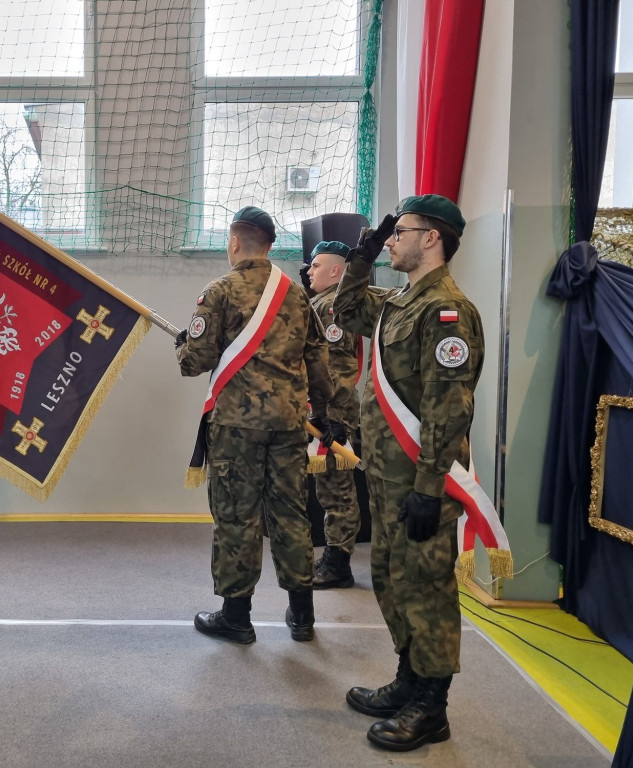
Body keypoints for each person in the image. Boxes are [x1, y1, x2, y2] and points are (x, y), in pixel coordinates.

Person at [331, 195, 484, 751]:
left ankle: (431, 707)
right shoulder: (399, 302)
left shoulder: (448, 312)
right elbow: (345, 312)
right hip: (387, 476)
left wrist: (428, 488)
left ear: (432, 238)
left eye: (400, 232)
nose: (391, 240)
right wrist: (362, 258)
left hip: (422, 481)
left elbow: (448, 407)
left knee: (426, 586)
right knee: (391, 578)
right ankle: (409, 680)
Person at [176, 206, 333, 644]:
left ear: (234, 242)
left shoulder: (219, 291)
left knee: (236, 516)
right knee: (291, 515)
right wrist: (322, 411)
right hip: (288, 424)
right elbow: (319, 360)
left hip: (236, 428)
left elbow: (194, 362)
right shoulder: (297, 295)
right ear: (269, 245)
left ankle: (236, 618)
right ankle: (302, 616)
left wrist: (183, 345)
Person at [305, 240, 361, 589]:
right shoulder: (321, 303)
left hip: (332, 414)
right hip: (323, 410)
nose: (309, 271)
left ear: (336, 270)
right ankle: (333, 555)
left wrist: (334, 416)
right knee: (328, 489)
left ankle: (339, 564)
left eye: (316, 265)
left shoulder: (332, 307)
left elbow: (337, 366)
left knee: (337, 491)